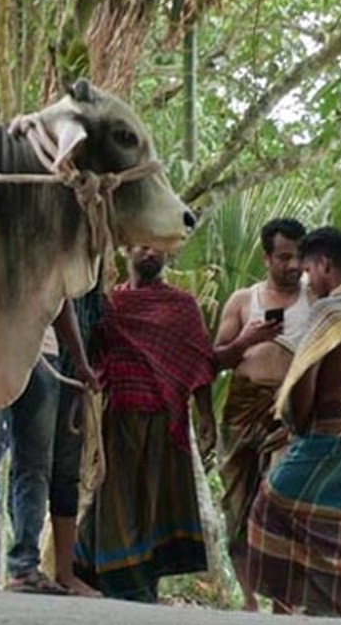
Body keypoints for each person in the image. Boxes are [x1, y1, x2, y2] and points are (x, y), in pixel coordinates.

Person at [212, 211, 341, 610]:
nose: (300, 272)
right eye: (286, 259)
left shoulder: (325, 309)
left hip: (323, 429)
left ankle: (291, 600)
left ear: (323, 264)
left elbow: (302, 384)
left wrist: (300, 423)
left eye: (305, 264)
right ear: (267, 258)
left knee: (269, 507)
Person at [73, 245, 216, 603]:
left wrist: (206, 416)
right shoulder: (109, 304)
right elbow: (89, 354)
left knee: (154, 505)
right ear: (125, 251)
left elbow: (199, 362)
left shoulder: (182, 306)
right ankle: (121, 586)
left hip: (163, 421)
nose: (149, 252)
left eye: (157, 245)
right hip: (116, 419)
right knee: (116, 503)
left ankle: (142, 587)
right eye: (141, 245)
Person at [0, 301, 99, 596]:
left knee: (35, 466)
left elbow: (62, 302)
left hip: (43, 356)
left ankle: (25, 568)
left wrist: (81, 364)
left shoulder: (51, 254)